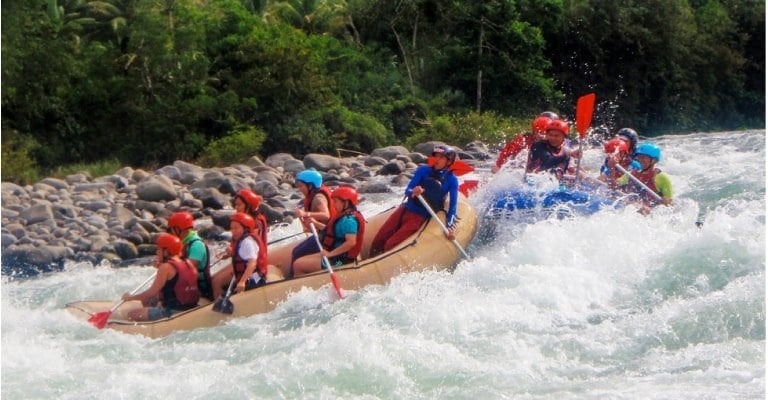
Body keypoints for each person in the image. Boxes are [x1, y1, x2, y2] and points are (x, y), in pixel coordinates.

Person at [370, 145, 460, 257]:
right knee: (378, 240)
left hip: (420, 217)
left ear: (449, 161)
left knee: (390, 244)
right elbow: (408, 190)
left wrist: (449, 226)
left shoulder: (452, 180)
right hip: (405, 209)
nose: (437, 159)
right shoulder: (423, 170)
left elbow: (453, 206)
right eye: (436, 156)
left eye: (441, 157)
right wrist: (414, 191)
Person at [122, 233, 200, 321]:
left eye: (159, 249)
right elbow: (175, 278)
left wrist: (130, 298)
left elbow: (150, 294)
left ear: (166, 251)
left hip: (173, 311)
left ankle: (152, 324)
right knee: (148, 301)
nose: (156, 252)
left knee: (131, 314)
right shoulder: (188, 263)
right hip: (191, 307)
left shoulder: (165, 267)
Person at [292, 187, 365, 277]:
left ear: (346, 203)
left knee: (298, 265)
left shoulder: (349, 220)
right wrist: (316, 223)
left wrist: (330, 254)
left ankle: (301, 287)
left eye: (336, 202)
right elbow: (332, 232)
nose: (333, 205)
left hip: (341, 260)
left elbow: (351, 242)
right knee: (298, 262)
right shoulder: (344, 217)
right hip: (336, 255)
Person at [283, 169, 336, 277]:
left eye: (301, 186)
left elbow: (326, 215)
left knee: (298, 253)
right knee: (297, 251)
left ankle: (295, 279)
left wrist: (306, 214)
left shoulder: (318, 198)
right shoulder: (313, 195)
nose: (299, 189)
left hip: (329, 236)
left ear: (310, 186)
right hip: (323, 233)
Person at [211, 212, 267, 299]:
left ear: (245, 228)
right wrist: (228, 254)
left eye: (236, 228)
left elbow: (252, 263)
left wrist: (242, 281)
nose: (233, 231)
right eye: (232, 228)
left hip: (253, 280)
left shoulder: (247, 242)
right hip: (246, 278)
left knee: (225, 296)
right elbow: (241, 255)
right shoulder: (241, 241)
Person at [168, 211, 213, 301]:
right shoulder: (182, 243)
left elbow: (186, 269)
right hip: (184, 288)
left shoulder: (196, 245)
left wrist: (166, 267)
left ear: (179, 228)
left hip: (200, 289)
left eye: (172, 229)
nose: (171, 233)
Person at [617, 143, 673, 213]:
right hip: (632, 207)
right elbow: (615, 184)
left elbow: (669, 204)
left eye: (643, 157)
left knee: (644, 209)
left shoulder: (662, 178)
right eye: (639, 157)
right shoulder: (631, 174)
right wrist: (612, 169)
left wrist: (665, 202)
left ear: (654, 160)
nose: (640, 160)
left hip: (651, 211)